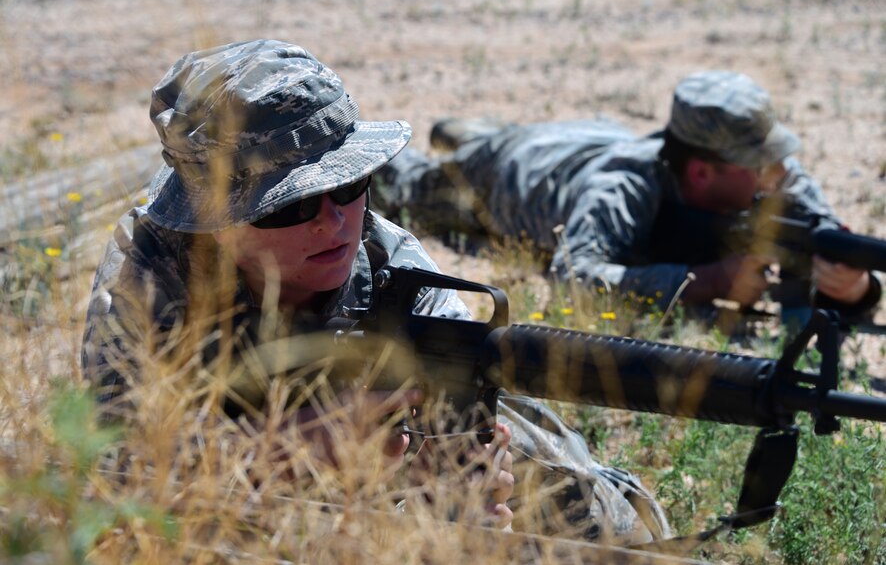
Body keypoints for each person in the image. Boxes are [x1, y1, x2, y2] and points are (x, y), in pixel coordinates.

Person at [80, 40, 669, 545]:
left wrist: (466, 502)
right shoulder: (147, 280)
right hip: (236, 474)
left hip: (382, 442)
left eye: (350, 184)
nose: (336, 222)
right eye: (292, 205)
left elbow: (460, 448)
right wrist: (279, 450)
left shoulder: (392, 264)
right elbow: (118, 470)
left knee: (599, 512)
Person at [376, 71, 881, 327]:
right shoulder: (623, 187)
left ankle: (470, 132)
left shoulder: (770, 175)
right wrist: (708, 281)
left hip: (592, 136)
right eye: (761, 163)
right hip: (516, 174)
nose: (780, 173)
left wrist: (853, 287)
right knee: (410, 188)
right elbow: (574, 278)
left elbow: (830, 241)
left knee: (491, 137)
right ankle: (469, 145)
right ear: (703, 172)